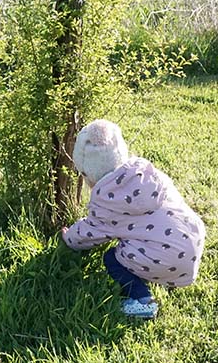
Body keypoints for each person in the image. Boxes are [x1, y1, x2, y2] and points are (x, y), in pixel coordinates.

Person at [61, 119, 206, 319]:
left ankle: (142, 300)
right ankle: (167, 272)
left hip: (165, 258)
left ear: (87, 173)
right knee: (146, 240)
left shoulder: (107, 201)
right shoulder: (149, 175)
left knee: (112, 258)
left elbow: (91, 232)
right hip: (192, 243)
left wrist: (70, 238)